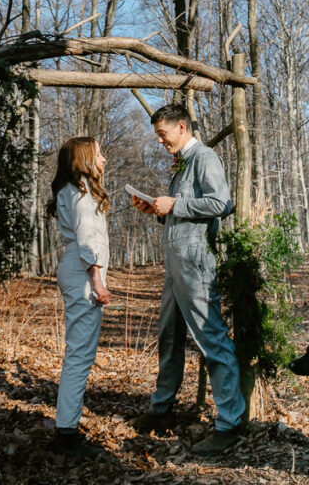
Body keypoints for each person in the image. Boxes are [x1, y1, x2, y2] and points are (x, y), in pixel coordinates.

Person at [130, 103, 245, 455]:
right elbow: (185, 211)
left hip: (195, 263)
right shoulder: (182, 164)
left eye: (163, 135)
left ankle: (230, 423)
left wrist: (174, 206)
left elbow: (221, 203)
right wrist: (158, 210)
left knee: (211, 338)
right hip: (175, 263)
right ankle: (161, 409)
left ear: (181, 126)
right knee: (169, 336)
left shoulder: (204, 157)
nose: (161, 142)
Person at [47, 137, 112, 457]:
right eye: (98, 154)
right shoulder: (81, 190)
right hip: (83, 273)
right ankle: (66, 434)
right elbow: (87, 240)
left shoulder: (73, 190)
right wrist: (98, 281)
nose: (103, 159)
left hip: (76, 270)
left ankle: (66, 428)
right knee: (79, 356)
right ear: (84, 159)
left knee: (79, 353)